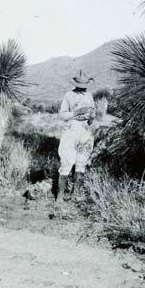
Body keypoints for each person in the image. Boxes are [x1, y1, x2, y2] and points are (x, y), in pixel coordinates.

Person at [56, 70, 96, 205]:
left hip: (85, 131)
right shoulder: (69, 95)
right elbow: (61, 114)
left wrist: (91, 118)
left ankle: (76, 194)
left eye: (85, 85)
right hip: (71, 130)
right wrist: (75, 113)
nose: (83, 87)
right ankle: (60, 196)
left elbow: (92, 115)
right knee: (67, 160)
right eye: (81, 85)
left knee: (81, 161)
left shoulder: (89, 95)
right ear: (76, 84)